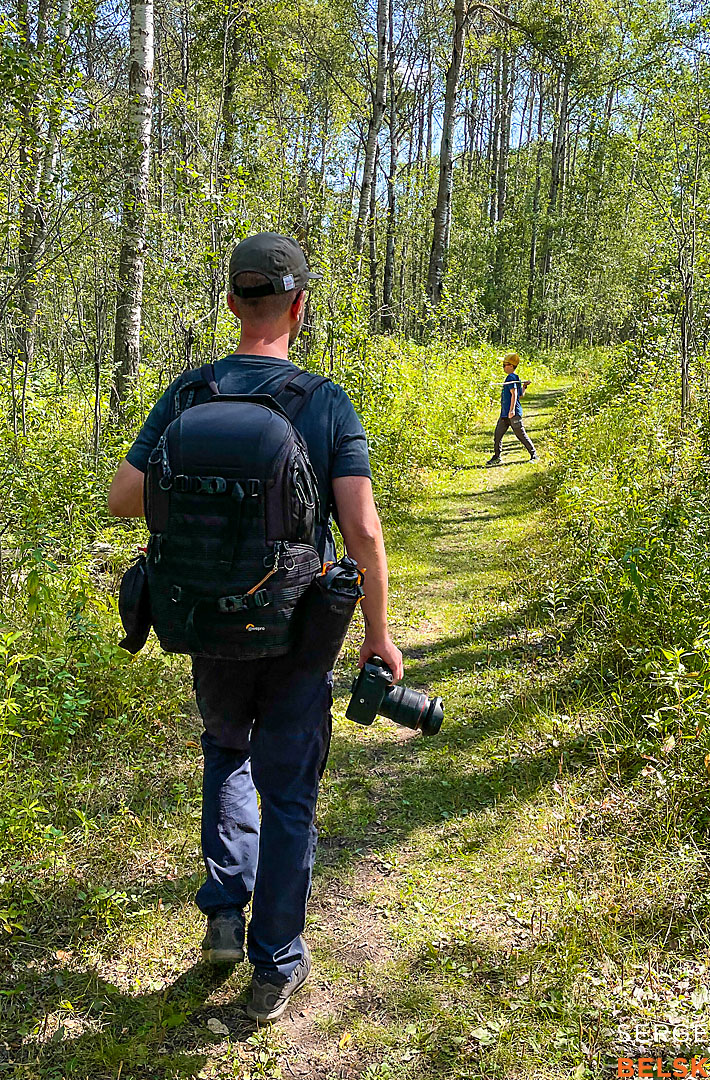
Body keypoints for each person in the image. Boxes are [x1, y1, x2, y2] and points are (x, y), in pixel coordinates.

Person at [107, 232, 403, 1023]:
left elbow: (124, 497)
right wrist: (379, 632)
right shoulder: (325, 401)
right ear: (299, 308)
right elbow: (363, 529)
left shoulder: (190, 392)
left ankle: (221, 916)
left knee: (225, 751)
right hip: (300, 629)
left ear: (233, 303)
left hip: (205, 623)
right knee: (291, 792)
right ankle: (276, 966)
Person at [486, 352, 538, 466]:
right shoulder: (515, 378)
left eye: (505, 365)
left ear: (510, 366)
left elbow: (514, 394)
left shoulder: (511, 377)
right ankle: (497, 456)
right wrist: (524, 387)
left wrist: (512, 410)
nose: (503, 367)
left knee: (521, 435)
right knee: (497, 434)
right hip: (505, 414)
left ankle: (534, 455)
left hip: (512, 413)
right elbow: (520, 395)